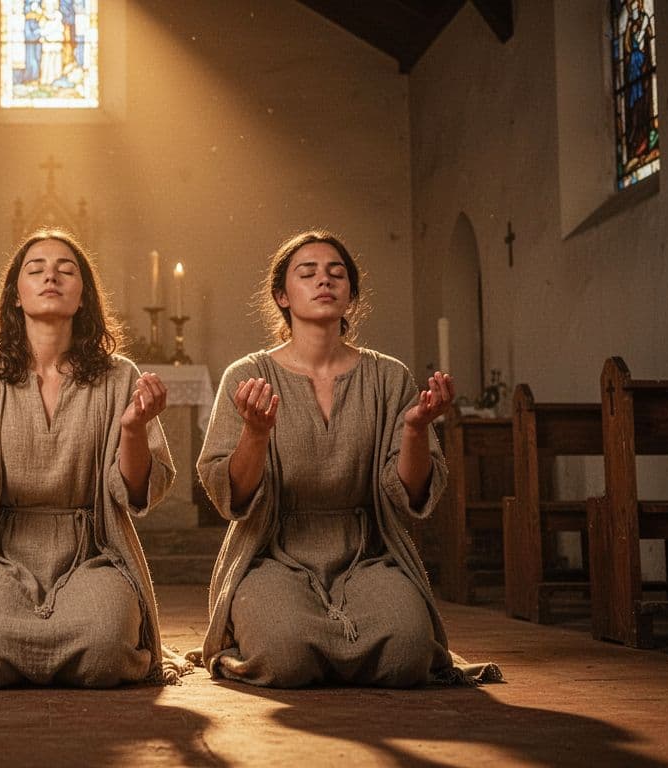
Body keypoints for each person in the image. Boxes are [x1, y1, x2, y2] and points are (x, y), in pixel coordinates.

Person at [193, 229, 500, 687]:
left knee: (408, 654)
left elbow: (410, 493)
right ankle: (264, 633)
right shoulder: (248, 375)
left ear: (351, 295)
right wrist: (255, 434)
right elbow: (230, 496)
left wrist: (416, 429)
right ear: (281, 295)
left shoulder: (388, 376)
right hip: (271, 552)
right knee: (285, 657)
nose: (325, 280)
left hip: (367, 553)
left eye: (336, 273)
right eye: (308, 272)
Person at [0, 228, 189, 688]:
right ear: (15, 295)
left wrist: (133, 429)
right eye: (36, 269)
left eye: (66, 269)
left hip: (95, 549)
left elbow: (136, 492)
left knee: (106, 651)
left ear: (84, 297)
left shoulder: (119, 376)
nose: (51, 277)